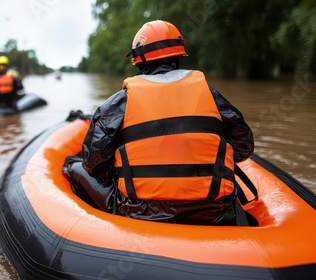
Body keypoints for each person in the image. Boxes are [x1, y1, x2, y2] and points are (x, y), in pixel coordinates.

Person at [63, 20, 255, 225]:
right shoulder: (211, 95)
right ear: (178, 56)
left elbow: (94, 166)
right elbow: (244, 147)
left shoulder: (119, 102)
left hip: (138, 211)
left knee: (72, 164)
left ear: (137, 60)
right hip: (214, 211)